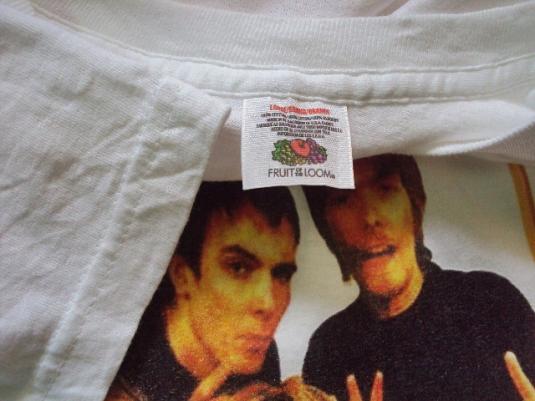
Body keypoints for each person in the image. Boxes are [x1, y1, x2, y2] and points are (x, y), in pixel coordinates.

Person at [302, 154, 535, 401]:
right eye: (343, 199)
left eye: (385, 189)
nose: (369, 218)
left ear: (416, 207)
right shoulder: (329, 348)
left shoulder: (489, 300)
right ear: (328, 230)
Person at [105, 182, 301, 401]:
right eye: (238, 267)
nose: (268, 303)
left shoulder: (260, 353)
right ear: (182, 276)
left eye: (282, 274)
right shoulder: (123, 355)